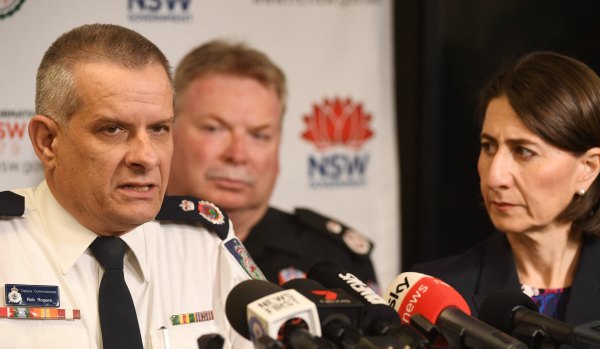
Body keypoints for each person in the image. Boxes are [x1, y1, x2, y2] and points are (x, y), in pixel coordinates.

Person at [0, 24, 257, 349]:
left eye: (159, 129)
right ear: (47, 141)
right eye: (113, 129)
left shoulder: (204, 243)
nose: (146, 157)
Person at [412, 51, 600, 325]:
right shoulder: (434, 294)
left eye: (523, 151)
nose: (495, 177)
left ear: (588, 168)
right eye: (488, 146)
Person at [167, 40, 378, 287]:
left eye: (259, 135)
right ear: (167, 130)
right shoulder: (123, 241)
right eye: (215, 129)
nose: (238, 154)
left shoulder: (335, 260)